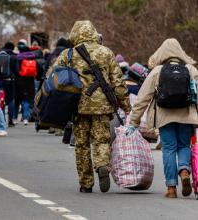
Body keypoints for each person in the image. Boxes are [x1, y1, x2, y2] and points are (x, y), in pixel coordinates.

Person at [53, 20, 131, 193]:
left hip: (77, 106)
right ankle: (102, 164)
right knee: (102, 140)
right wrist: (125, 105)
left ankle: (86, 183)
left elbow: (55, 78)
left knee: (81, 144)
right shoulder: (106, 52)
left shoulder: (68, 54)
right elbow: (118, 81)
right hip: (102, 106)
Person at [126, 38, 198, 198]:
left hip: (164, 116)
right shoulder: (190, 69)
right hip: (186, 116)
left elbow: (142, 98)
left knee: (169, 149)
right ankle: (185, 171)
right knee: (184, 146)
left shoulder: (157, 71)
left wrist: (134, 122)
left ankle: (171, 188)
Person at [14, 40, 36, 125]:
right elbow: (38, 69)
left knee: (17, 100)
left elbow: (16, 70)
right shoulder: (32, 58)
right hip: (29, 82)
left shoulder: (18, 58)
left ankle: (15, 118)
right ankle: (25, 119)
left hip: (19, 82)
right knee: (26, 100)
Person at [0, 42, 18, 127]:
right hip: (10, 81)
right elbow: (17, 71)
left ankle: (2, 119)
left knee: (1, 100)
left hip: (0, 81)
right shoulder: (14, 57)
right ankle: (10, 120)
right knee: (11, 100)